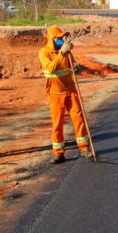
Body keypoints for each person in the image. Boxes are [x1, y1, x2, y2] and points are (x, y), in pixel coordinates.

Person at [38, 26, 92, 163]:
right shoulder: (43, 53)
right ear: (51, 39)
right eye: (59, 38)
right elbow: (50, 68)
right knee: (57, 123)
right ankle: (58, 152)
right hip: (55, 93)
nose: (62, 40)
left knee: (78, 118)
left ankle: (84, 147)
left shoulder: (66, 51)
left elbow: (72, 66)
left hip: (70, 90)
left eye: (63, 37)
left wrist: (76, 67)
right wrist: (62, 53)